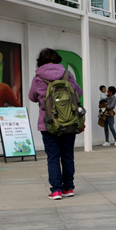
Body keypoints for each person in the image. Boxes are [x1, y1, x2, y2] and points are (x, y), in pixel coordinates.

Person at [29, 48, 82, 200]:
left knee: (53, 157)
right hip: (69, 122)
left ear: (41, 61)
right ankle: (69, 188)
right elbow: (78, 92)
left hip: (48, 123)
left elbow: (32, 96)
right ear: (57, 59)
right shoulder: (67, 74)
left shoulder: (38, 76)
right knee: (67, 156)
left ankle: (56, 190)